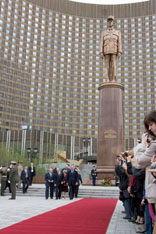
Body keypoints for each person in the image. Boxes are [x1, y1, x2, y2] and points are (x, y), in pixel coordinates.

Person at [134, 110, 156, 234]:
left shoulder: (153, 146)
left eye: (151, 124)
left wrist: (142, 145)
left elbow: (138, 163)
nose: (150, 128)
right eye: (148, 125)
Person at [100, 15, 122, 82]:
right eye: (109, 21)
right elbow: (101, 42)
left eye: (111, 21)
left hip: (114, 51)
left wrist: (119, 51)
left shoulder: (117, 32)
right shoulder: (103, 33)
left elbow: (120, 42)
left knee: (113, 65)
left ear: (113, 22)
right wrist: (101, 52)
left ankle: (114, 79)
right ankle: (107, 79)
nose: (110, 22)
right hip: (106, 51)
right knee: (107, 66)